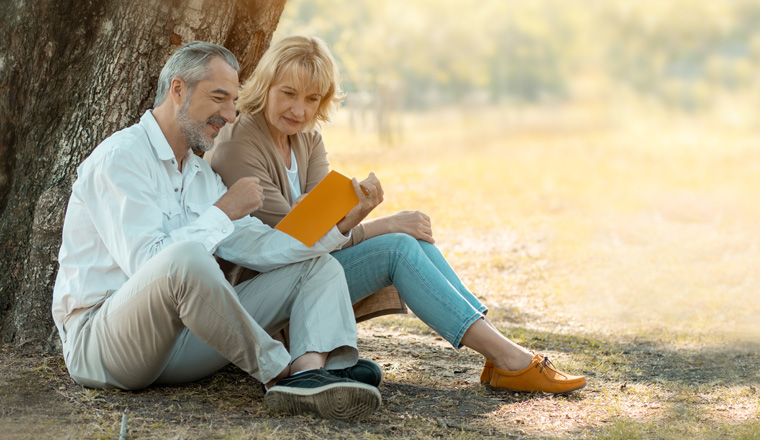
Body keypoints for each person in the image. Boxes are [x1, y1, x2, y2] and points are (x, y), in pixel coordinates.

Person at [204, 35, 587, 394]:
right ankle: (509, 359)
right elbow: (294, 238)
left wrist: (355, 214)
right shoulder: (239, 142)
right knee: (398, 246)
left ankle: (500, 353)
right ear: (266, 84)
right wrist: (381, 223)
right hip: (262, 295)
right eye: (288, 93)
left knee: (409, 239)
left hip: (310, 274)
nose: (299, 109)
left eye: (311, 98)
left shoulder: (307, 138)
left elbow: (327, 222)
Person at [51, 41, 389, 421]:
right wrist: (223, 210)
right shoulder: (121, 159)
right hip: (104, 345)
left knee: (317, 264)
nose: (230, 115)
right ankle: (281, 373)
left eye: (233, 101)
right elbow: (148, 264)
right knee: (185, 258)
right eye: (219, 98)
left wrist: (344, 222)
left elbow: (262, 249)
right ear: (178, 90)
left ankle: (311, 374)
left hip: (181, 344)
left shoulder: (200, 175)